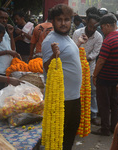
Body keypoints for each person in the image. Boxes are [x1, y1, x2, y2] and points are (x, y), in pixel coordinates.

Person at [42, 4, 82, 150]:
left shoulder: (67, 38)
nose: (63, 23)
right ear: (52, 21)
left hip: (73, 97)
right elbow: (46, 68)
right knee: (58, 140)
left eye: (67, 19)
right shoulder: (50, 41)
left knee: (70, 135)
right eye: (59, 19)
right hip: (61, 100)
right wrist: (54, 54)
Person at [91, 13, 118, 136]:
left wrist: (94, 75)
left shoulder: (108, 40)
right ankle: (114, 128)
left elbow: (101, 61)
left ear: (108, 25)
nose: (101, 30)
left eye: (102, 27)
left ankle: (105, 129)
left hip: (105, 78)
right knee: (115, 104)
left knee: (103, 104)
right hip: (116, 78)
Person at [72, 13, 103, 126]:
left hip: (90, 68)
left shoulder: (99, 36)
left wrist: (86, 58)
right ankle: (78, 114)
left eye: (95, 27)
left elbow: (96, 52)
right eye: (90, 26)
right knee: (78, 92)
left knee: (92, 92)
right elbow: (73, 48)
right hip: (76, 67)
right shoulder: (77, 33)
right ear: (86, 23)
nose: (92, 29)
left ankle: (93, 115)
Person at [0, 7, 20, 93]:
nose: (4, 20)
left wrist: (11, 34)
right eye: (2, 18)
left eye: (6, 18)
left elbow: (13, 49)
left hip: (6, 69)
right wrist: (7, 52)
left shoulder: (4, 32)